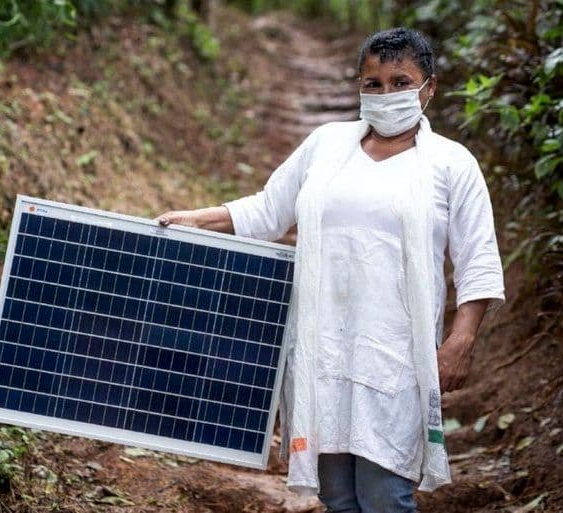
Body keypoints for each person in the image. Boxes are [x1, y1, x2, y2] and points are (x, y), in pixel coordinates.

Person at [157, 27, 505, 513]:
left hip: (396, 357)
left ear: (430, 88)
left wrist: (460, 342)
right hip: (321, 351)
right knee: (338, 496)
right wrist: (196, 218)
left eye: (400, 82)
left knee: (386, 495)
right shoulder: (326, 145)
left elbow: (478, 259)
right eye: (373, 83)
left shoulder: (451, 164)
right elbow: (267, 211)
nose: (386, 94)